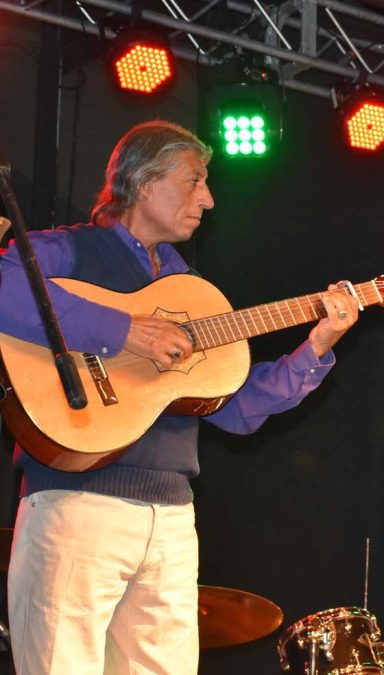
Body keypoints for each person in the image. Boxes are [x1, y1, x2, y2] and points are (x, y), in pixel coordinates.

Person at [0, 120, 361, 674]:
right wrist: (123, 330)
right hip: (75, 504)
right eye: (194, 181)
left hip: (170, 518)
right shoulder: (73, 249)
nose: (208, 199)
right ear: (143, 183)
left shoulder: (190, 290)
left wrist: (319, 343)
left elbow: (235, 409)